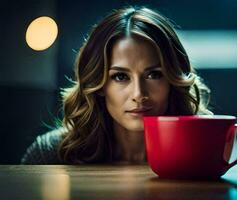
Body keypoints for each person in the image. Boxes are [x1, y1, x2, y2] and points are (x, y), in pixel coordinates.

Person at [21, 6, 212, 164]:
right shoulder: (51, 153)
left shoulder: (202, 151)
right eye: (120, 76)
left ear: (173, 80)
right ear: (99, 84)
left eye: (154, 74)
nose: (138, 94)